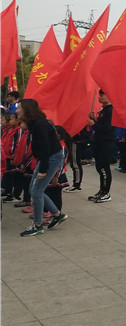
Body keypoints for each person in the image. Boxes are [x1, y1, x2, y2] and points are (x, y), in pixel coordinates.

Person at [17, 99, 69, 236]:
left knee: (37, 191)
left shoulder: (40, 125)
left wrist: (43, 170)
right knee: (34, 189)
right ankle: (57, 214)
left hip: (51, 158)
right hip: (46, 158)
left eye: (19, 108)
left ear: (27, 109)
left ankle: (37, 225)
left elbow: (45, 148)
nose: (17, 111)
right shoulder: (35, 124)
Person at [88, 89, 115, 203]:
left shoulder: (110, 110)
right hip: (98, 141)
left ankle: (106, 192)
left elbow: (107, 128)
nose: (99, 97)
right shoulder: (103, 110)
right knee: (99, 167)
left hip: (106, 142)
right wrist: (94, 119)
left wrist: (94, 124)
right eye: (99, 95)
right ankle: (101, 190)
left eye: (102, 95)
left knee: (104, 167)